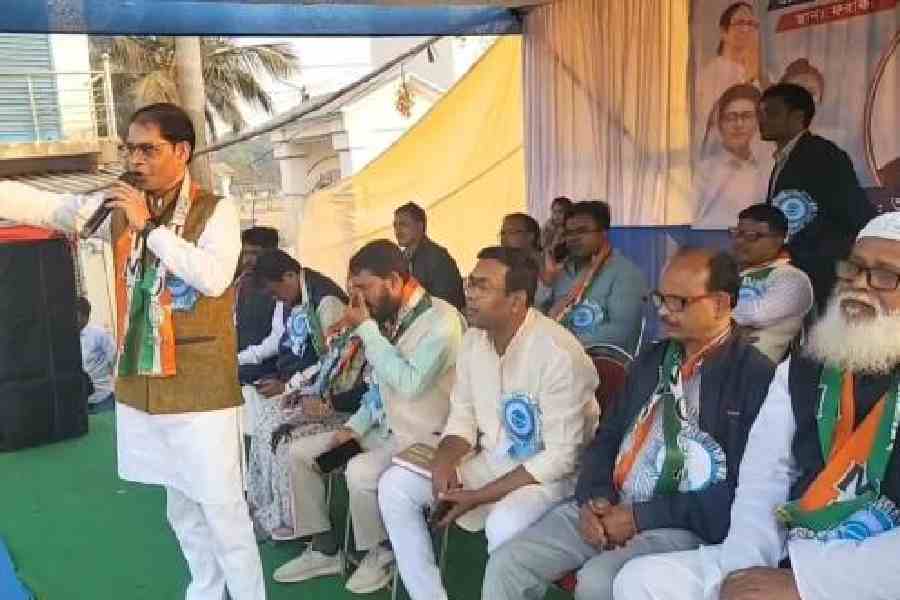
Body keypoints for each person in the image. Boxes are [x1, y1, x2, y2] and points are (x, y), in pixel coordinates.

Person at [0, 102, 264, 599]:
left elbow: (212, 277)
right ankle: (206, 592)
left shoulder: (215, 210)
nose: (135, 160)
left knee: (224, 512)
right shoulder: (120, 207)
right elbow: (52, 209)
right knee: (182, 510)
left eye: (148, 149)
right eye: (130, 149)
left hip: (200, 389)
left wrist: (150, 229)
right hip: (146, 386)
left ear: (181, 152)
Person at [613, 213, 900, 600]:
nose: (860, 286)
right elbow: (765, 478)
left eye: (884, 276)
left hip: (866, 574)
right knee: (641, 580)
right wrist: (747, 568)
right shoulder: (806, 365)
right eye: (854, 269)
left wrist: (807, 583)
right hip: (794, 548)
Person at [483, 247, 774, 600]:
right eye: (660, 299)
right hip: (609, 506)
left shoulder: (754, 377)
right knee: (508, 563)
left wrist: (641, 517)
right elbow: (606, 438)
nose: (663, 312)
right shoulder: (653, 359)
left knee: (598, 581)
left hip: (675, 522)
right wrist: (594, 498)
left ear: (721, 303)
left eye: (679, 302)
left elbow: (743, 491)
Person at [378, 246, 600, 600]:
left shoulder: (559, 355)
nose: (470, 293)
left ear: (516, 300)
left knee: (504, 525)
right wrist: (445, 460)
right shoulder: (472, 340)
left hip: (549, 478)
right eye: (470, 283)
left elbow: (560, 458)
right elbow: (463, 417)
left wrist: (479, 497)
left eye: (482, 286)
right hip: (492, 460)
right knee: (396, 486)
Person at [273, 240, 464, 595]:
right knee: (303, 456)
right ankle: (326, 548)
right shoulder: (389, 316)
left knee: (360, 472)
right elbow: (380, 388)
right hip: (382, 433)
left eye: (363, 288)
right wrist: (352, 428)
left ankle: (382, 552)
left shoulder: (443, 322)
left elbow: (407, 384)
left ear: (393, 281)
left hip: (424, 442)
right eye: (352, 290)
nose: (356, 300)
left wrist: (368, 331)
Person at [243, 249, 354, 540]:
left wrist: (303, 392)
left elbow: (336, 366)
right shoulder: (301, 296)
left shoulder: (329, 302)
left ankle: (299, 526)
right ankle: (270, 509)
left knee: (287, 441)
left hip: (352, 422)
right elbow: (330, 362)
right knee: (267, 421)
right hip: (329, 398)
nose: (352, 303)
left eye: (360, 293)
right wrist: (299, 390)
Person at [760, 83, 875, 308]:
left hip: (821, 271)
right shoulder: (786, 157)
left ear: (797, 116)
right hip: (798, 268)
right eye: (761, 113)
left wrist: (823, 256)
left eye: (771, 113)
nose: (762, 120)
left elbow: (853, 211)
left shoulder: (822, 155)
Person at [540, 201, 648, 360]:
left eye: (582, 231)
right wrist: (546, 283)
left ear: (603, 233)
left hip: (603, 366)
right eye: (569, 233)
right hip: (554, 362)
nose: (573, 238)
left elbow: (621, 331)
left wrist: (563, 344)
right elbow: (534, 317)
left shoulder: (625, 273)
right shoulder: (559, 271)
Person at [730, 204, 813, 362]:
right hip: (720, 366)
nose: (740, 242)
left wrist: (716, 319)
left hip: (763, 372)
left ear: (780, 238)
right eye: (737, 233)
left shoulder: (793, 278)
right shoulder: (729, 273)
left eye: (751, 236)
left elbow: (757, 314)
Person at [694, 84, 770, 229]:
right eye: (730, 117)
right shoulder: (703, 171)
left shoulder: (770, 169)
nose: (738, 124)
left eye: (747, 116)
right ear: (720, 124)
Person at [697, 2, 765, 150]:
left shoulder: (760, 74)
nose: (746, 29)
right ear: (723, 32)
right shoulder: (711, 72)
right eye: (740, 23)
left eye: (752, 24)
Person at [393, 202, 465, 311]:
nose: (398, 230)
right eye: (395, 225)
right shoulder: (401, 258)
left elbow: (444, 303)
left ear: (420, 226)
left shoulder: (437, 258)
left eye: (403, 224)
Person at [235, 226, 280, 386]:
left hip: (267, 377)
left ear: (271, 253)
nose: (247, 260)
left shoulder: (281, 288)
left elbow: (277, 340)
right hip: (237, 373)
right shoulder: (238, 283)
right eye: (245, 253)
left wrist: (238, 359)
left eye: (254, 253)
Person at [76, 296, 117, 414]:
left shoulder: (99, 334)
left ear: (85, 316)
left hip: (103, 398)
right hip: (82, 402)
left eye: (76, 314)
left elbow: (114, 360)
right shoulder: (68, 338)